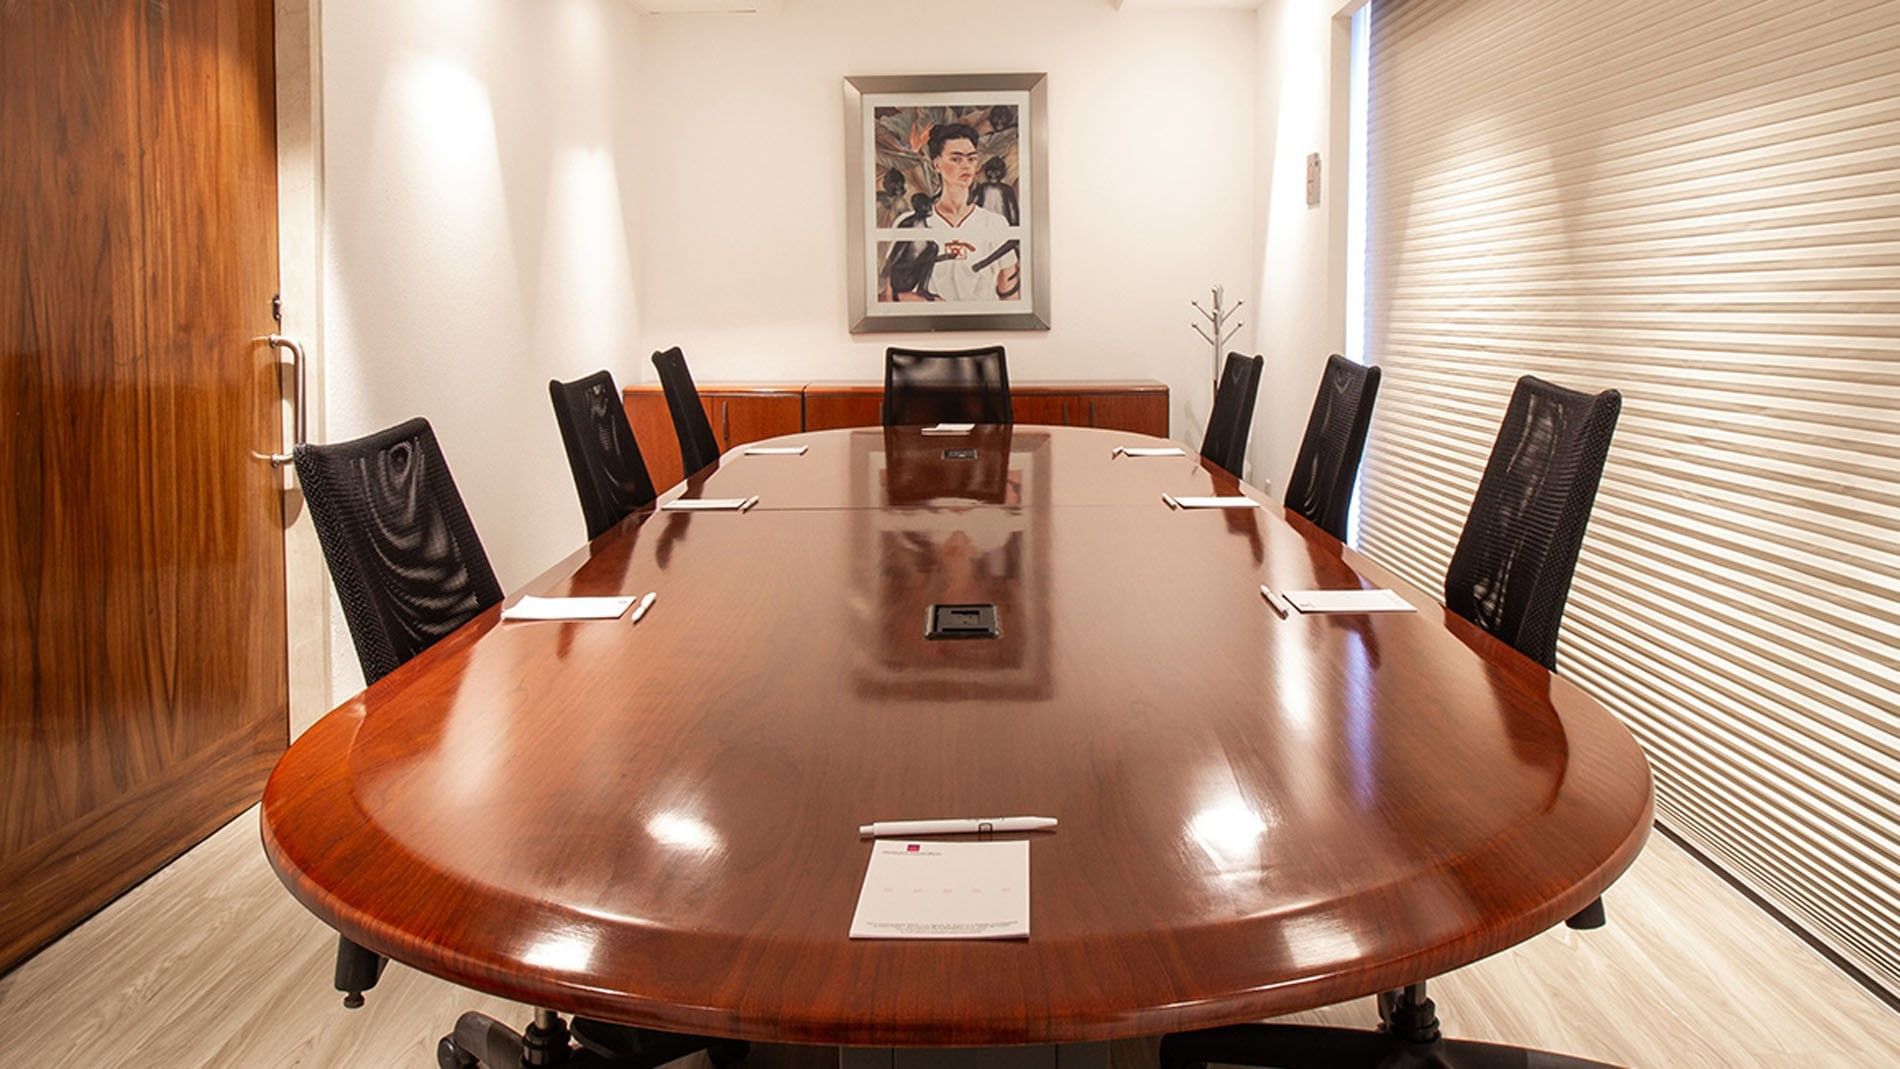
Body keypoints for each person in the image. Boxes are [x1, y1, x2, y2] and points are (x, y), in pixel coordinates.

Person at [882, 122, 1019, 303]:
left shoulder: (994, 223)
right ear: (936, 164)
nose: (966, 166)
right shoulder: (911, 223)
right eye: (956, 159)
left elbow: (1010, 294)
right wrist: (930, 303)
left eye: (971, 158)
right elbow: (889, 295)